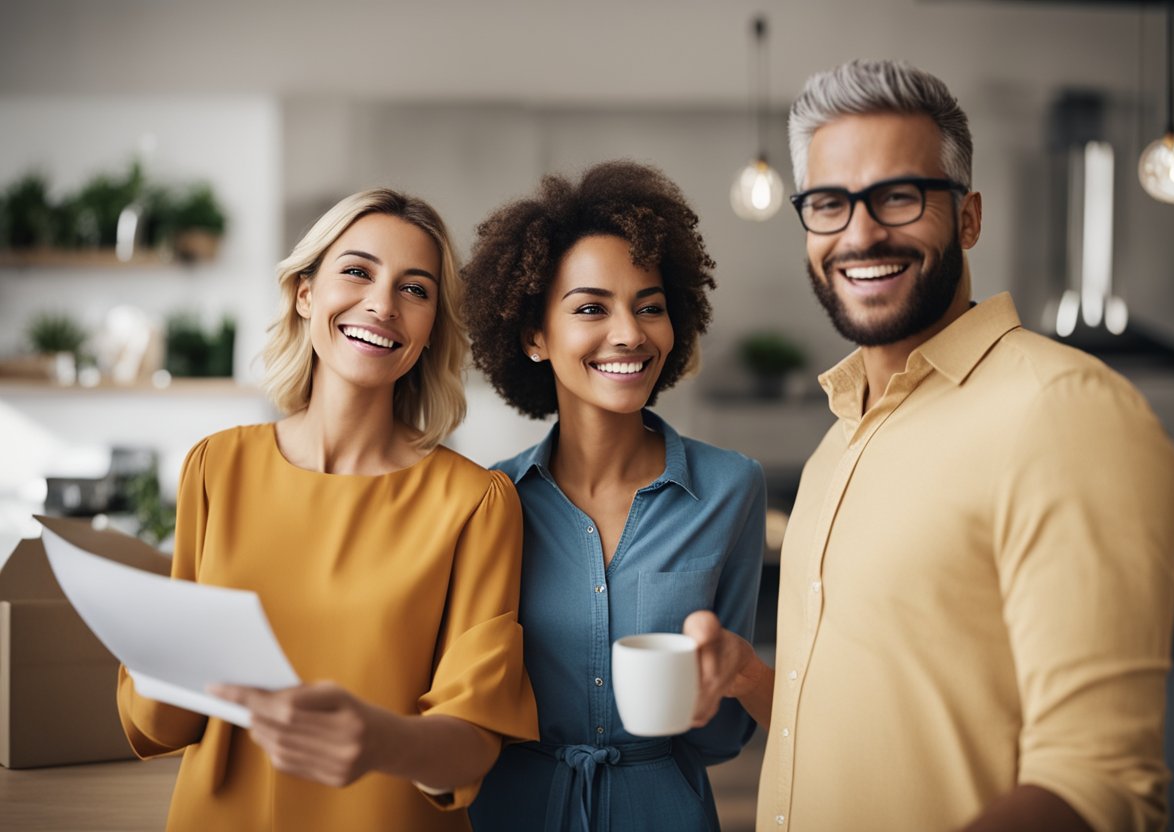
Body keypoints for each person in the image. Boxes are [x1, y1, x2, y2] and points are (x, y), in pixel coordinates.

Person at [686, 60, 1174, 831]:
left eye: (898, 195)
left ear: (969, 218)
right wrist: (749, 675)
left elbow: (1100, 787)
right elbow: (871, 715)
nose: (860, 233)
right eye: (828, 203)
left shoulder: (1062, 412)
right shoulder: (838, 445)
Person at [116, 189, 538, 831]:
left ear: (430, 332)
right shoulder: (216, 467)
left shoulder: (474, 502)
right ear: (306, 293)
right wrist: (144, 645)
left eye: (415, 290)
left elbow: (475, 741)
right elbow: (164, 722)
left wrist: (380, 742)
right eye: (357, 271)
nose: (382, 304)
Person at [460, 160, 766, 832]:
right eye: (592, 308)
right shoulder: (490, 501)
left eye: (649, 306)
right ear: (535, 336)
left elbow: (723, 739)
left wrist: (728, 678)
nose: (629, 333)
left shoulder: (730, 488)